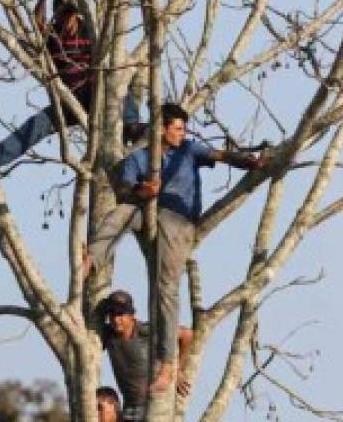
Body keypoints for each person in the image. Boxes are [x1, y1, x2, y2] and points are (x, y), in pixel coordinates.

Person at [85, 102, 266, 391]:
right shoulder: (139, 158)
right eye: (177, 129)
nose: (182, 134)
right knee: (120, 213)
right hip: (145, 212)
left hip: (176, 221)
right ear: (161, 129)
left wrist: (249, 162)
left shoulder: (189, 150)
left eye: (183, 129)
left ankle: (167, 365)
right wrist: (143, 191)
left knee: (164, 289)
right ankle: (90, 260)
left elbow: (220, 155)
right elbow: (124, 189)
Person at [0, 0, 144, 169]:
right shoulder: (53, 35)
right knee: (38, 124)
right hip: (70, 99)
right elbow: (38, 24)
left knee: (118, 86)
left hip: (96, 92)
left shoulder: (90, 30)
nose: (68, 23)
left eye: (71, 17)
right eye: (63, 17)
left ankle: (133, 127)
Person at [101, 289, 193, 422]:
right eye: (112, 315)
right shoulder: (108, 335)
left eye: (121, 314)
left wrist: (177, 369)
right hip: (129, 406)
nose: (116, 320)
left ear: (131, 315)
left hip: (154, 405)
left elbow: (186, 335)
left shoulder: (146, 331)